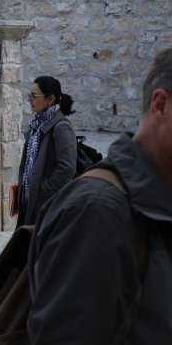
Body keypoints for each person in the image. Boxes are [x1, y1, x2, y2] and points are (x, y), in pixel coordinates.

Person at [27, 47, 172, 343]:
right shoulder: (96, 213)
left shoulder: (58, 126)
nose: (30, 101)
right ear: (160, 106)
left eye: (34, 96)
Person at [14, 76, 77, 226]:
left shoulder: (61, 127)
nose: (30, 100)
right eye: (29, 95)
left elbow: (67, 168)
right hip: (30, 204)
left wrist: (44, 190)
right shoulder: (37, 125)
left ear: (50, 99)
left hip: (46, 206)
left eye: (34, 96)